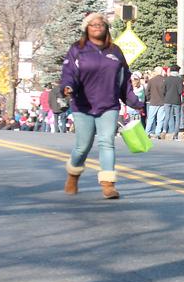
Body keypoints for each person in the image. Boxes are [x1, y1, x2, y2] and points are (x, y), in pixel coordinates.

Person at [60, 12, 144, 199]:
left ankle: (108, 185)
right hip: (83, 105)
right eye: (93, 24)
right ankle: (73, 175)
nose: (97, 27)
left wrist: (133, 101)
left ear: (106, 28)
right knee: (83, 146)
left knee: (107, 142)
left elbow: (124, 80)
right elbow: (69, 73)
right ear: (86, 28)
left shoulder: (115, 51)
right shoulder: (77, 49)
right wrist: (67, 87)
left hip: (109, 104)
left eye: (101, 24)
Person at [160, 64, 184, 140]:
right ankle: (175, 134)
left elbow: (163, 90)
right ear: (177, 71)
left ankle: (164, 131)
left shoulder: (166, 79)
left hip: (167, 100)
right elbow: (180, 91)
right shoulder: (179, 79)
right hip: (176, 100)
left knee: (167, 116)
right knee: (177, 117)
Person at [145, 66, 166, 137]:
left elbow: (147, 91)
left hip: (153, 101)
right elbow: (166, 91)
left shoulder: (151, 80)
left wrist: (149, 98)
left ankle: (147, 132)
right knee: (160, 119)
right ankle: (158, 132)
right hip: (163, 102)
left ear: (155, 72)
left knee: (150, 118)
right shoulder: (164, 80)